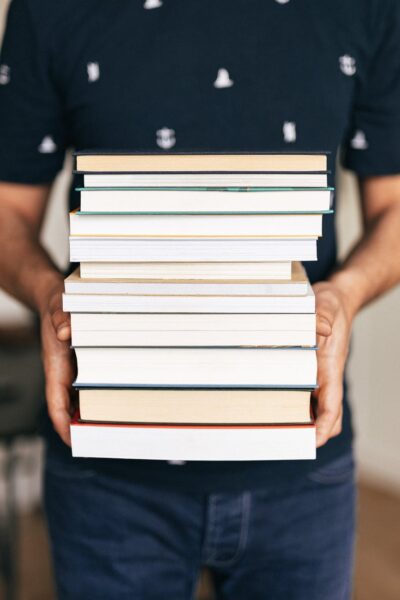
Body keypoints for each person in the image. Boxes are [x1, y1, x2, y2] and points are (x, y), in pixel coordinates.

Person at [0, 1, 400, 598]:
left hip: (302, 450)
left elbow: (394, 205)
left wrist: (345, 293)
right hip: (107, 462)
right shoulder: (51, 9)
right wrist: (52, 295)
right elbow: (7, 208)